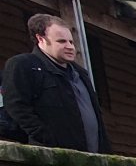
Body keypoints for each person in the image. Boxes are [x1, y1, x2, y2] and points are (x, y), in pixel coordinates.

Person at [1, 13, 109, 154]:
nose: (70, 47)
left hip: (94, 156)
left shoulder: (81, 73)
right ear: (41, 39)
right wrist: (47, 139)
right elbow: (16, 106)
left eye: (71, 42)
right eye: (61, 41)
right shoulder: (24, 65)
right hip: (54, 158)